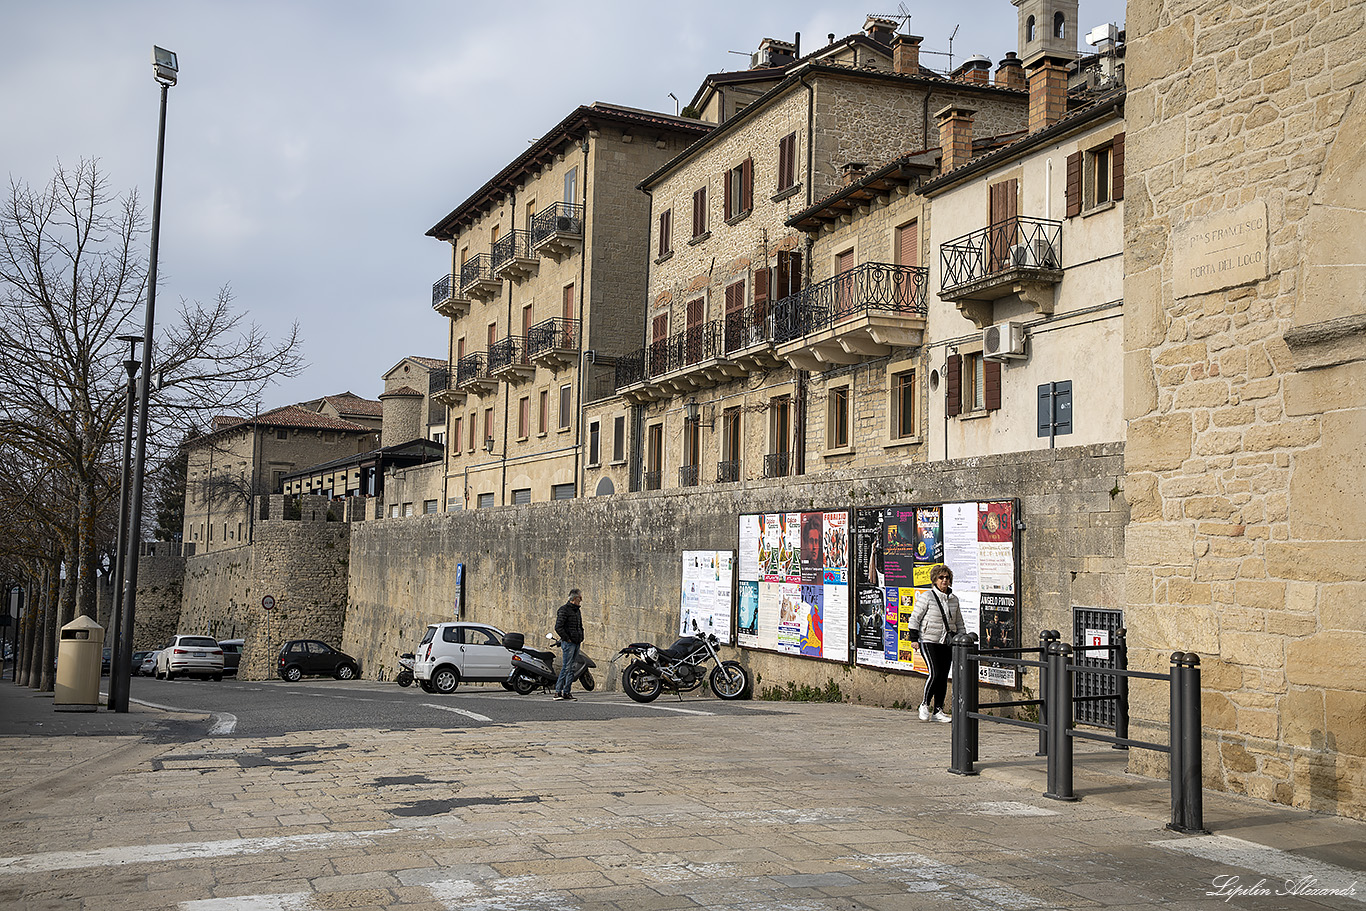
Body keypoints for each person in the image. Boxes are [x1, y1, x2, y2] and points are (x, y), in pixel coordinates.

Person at [908, 564, 965, 723]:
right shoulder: (927, 597)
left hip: (947, 642)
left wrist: (963, 639)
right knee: (935, 672)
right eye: (941, 578)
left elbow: (959, 622)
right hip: (929, 640)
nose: (944, 580)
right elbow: (915, 618)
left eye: (947, 578)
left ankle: (938, 710)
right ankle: (924, 704)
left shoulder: (954, 600)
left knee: (943, 676)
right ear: (935, 580)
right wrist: (913, 639)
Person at [552, 588, 585, 701]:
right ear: (575, 598)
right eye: (580, 598)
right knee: (566, 667)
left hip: (576, 642)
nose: (581, 600)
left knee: (571, 668)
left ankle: (567, 691)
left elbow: (579, 625)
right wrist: (567, 638)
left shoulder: (577, 611)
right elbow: (558, 627)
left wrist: (581, 636)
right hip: (569, 643)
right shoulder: (564, 610)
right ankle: (558, 691)